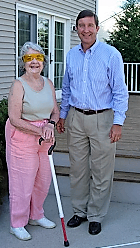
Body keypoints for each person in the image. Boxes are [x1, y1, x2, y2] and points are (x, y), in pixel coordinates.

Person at [56, 10, 128, 235]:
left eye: (90, 25)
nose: (85, 29)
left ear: (97, 28)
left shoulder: (111, 54)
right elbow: (67, 88)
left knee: (101, 169)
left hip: (103, 118)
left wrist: (118, 122)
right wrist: (63, 114)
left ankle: (96, 214)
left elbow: (120, 91)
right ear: (76, 28)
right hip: (76, 118)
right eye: (81, 25)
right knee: (77, 169)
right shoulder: (71, 55)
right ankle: (79, 211)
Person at [5, 41, 59, 241]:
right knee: (23, 182)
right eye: (29, 58)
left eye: (38, 57)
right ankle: (17, 223)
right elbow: (14, 118)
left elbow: (55, 110)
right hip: (22, 135)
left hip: (44, 136)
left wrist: (51, 124)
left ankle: (36, 215)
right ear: (23, 62)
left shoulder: (49, 83)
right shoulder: (18, 85)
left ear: (43, 61)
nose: (34, 62)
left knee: (42, 180)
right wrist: (39, 130)